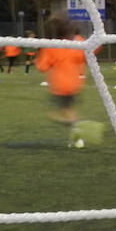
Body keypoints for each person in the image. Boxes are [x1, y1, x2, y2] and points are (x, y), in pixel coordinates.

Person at [35, 17, 89, 147]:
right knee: (68, 109)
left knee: (58, 114)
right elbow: (85, 55)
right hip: (75, 83)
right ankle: (76, 137)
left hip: (60, 85)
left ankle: (77, 128)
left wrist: (40, 56)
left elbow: (42, 67)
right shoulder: (78, 42)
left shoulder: (51, 46)